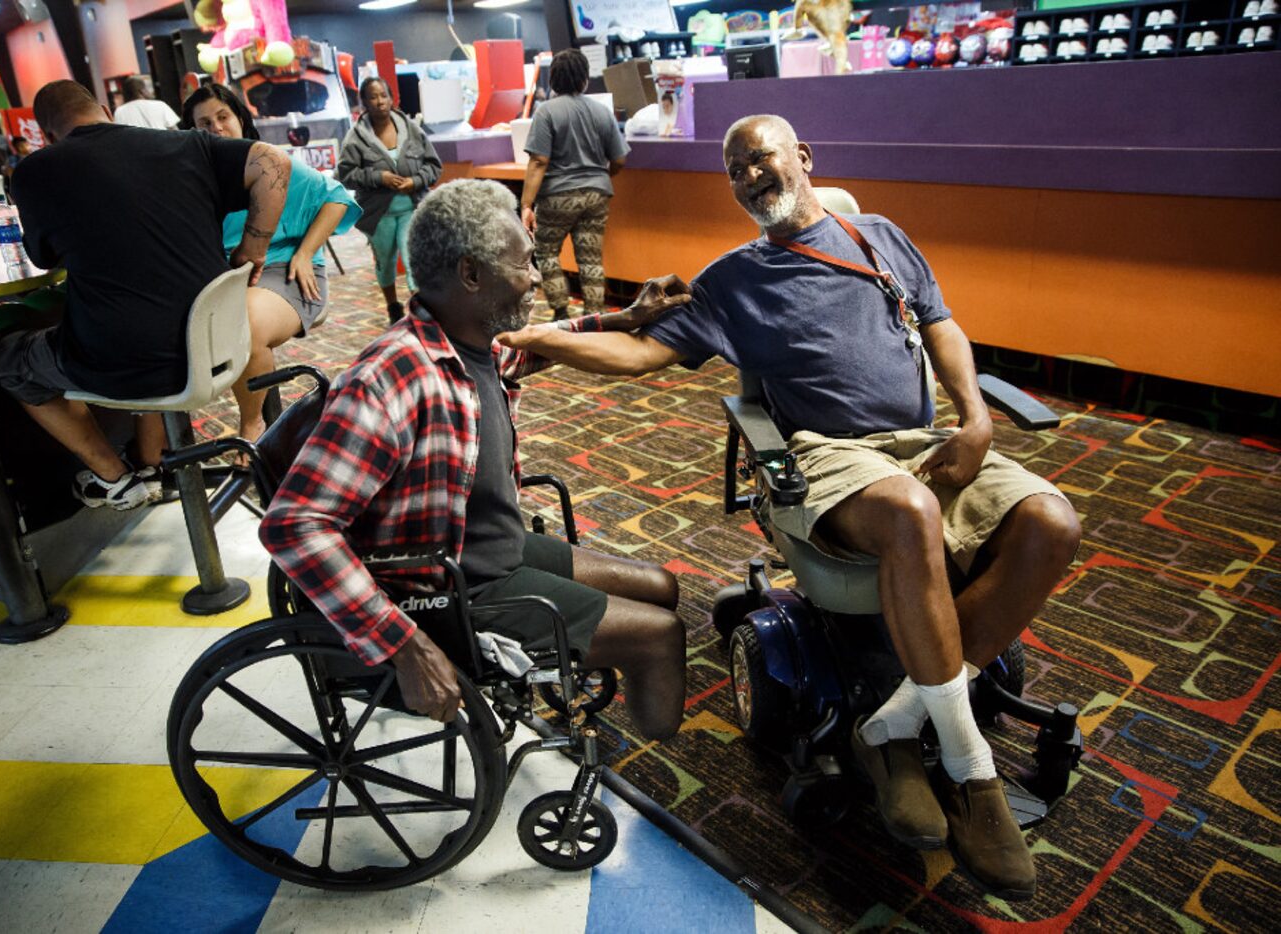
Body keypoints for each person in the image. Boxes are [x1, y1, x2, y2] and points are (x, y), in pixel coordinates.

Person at [498, 114, 1082, 900]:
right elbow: (641, 354)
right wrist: (545, 336)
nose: (748, 177)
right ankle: (973, 772)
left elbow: (942, 327)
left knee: (1052, 522)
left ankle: (892, 728)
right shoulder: (733, 280)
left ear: (802, 157)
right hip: (824, 459)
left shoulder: (880, 238)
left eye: (760, 158)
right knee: (910, 510)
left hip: (919, 439)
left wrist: (975, 418)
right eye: (734, 170)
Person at [260, 179, 690, 737]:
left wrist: (621, 317)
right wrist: (402, 643)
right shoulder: (390, 380)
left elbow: (533, 345)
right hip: (450, 588)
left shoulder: (471, 342)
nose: (537, 277)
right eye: (526, 264)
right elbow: (294, 525)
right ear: (471, 275)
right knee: (660, 636)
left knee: (661, 586)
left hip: (485, 546)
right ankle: (649, 770)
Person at [0, 79, 291, 510]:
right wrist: (255, 248)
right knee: (139, 324)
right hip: (218, 347)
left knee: (11, 360)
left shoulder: (37, 170)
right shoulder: (189, 145)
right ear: (104, 110)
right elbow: (274, 161)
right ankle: (148, 460)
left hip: (125, 365)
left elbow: (45, 261)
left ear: (48, 134)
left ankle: (114, 476)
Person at [181, 83, 361, 443]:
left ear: (240, 119)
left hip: (287, 272)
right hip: (226, 277)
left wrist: (306, 252)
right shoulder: (194, 176)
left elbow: (337, 198)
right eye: (204, 124)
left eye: (222, 117)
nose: (215, 128)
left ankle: (252, 424)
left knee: (244, 323)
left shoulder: (269, 163)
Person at [520, 48, 629, 320]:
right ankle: (594, 316)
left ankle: (561, 312)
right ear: (584, 79)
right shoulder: (601, 112)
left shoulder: (546, 112)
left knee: (547, 253)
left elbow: (538, 162)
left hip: (557, 195)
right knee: (590, 258)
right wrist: (600, 177)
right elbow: (619, 159)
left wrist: (526, 204)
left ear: (554, 80)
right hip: (597, 195)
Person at [337, 76, 441, 324]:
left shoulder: (412, 129)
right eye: (372, 97)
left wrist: (414, 181)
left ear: (392, 98)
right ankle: (393, 306)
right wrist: (378, 177)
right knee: (385, 263)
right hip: (379, 214)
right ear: (364, 102)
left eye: (383, 95)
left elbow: (434, 167)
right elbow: (345, 175)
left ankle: (421, 311)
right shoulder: (356, 137)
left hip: (412, 209)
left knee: (412, 259)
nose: (379, 102)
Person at [113, 75, 180, 130]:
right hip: (163, 144)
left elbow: (119, 135)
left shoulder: (119, 112)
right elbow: (175, 131)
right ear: (142, 90)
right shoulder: (160, 105)